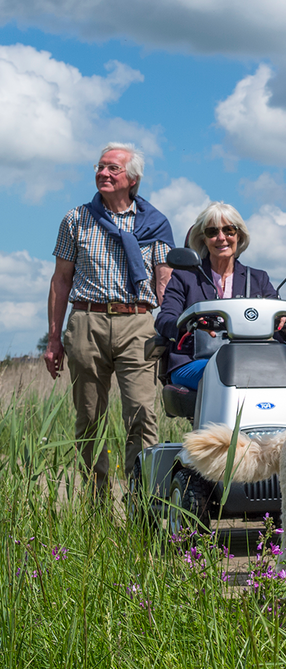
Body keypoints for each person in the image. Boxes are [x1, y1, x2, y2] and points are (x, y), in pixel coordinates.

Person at [44, 143, 175, 498]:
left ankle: (141, 504)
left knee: (142, 417)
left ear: (132, 179)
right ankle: (98, 503)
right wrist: (54, 338)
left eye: (112, 169)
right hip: (87, 322)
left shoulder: (155, 223)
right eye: (100, 167)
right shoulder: (76, 219)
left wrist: (175, 330)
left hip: (138, 325)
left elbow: (165, 282)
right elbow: (60, 280)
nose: (103, 173)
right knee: (89, 418)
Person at [153, 202, 286, 389]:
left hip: (247, 362)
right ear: (203, 239)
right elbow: (164, 320)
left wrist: (285, 326)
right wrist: (191, 323)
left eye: (229, 230)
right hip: (193, 361)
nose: (221, 238)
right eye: (212, 232)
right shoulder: (184, 277)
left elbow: (282, 333)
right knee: (227, 372)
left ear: (239, 235)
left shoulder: (257, 279)